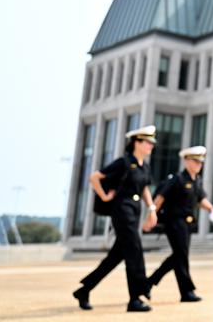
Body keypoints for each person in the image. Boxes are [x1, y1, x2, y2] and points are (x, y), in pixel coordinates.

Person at [73, 126, 158, 312]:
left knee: (115, 257)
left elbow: (144, 189)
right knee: (134, 249)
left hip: (134, 211)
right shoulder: (124, 162)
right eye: (148, 142)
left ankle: (84, 289)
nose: (152, 145)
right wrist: (104, 196)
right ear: (137, 142)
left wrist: (152, 209)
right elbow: (95, 177)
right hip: (122, 210)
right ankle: (135, 297)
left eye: (153, 142)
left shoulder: (145, 166)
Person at [146, 146, 213, 302]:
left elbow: (201, 199)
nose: (199, 165)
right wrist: (151, 216)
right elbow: (160, 198)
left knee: (178, 256)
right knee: (181, 256)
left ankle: (149, 282)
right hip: (174, 222)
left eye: (201, 162)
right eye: (196, 161)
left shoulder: (197, 180)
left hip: (187, 224)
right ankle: (186, 292)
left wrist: (211, 208)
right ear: (186, 161)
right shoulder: (177, 179)